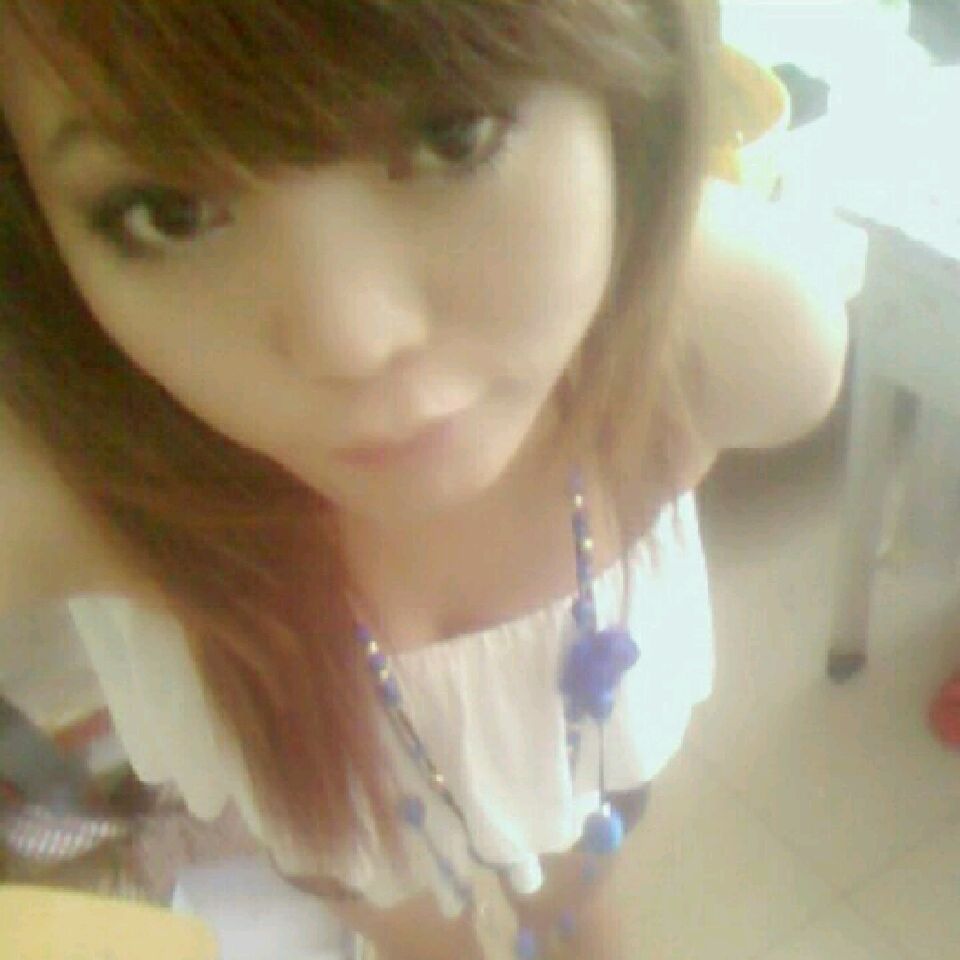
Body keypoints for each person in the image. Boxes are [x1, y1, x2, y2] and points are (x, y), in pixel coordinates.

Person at [0, 2, 864, 958]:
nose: (354, 340)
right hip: (348, 835)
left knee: (581, 914)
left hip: (580, 772)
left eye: (453, 133)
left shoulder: (715, 347)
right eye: (170, 212)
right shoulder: (74, 492)